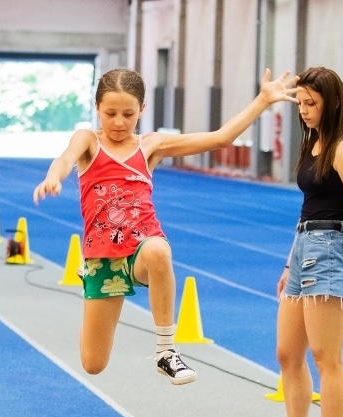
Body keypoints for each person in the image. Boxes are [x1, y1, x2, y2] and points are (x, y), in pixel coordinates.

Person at [32, 68, 298, 384]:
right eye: (110, 113)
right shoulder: (88, 140)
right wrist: (54, 177)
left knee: (159, 251)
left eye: (128, 114)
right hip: (103, 257)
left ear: (142, 110)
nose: (119, 122)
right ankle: (93, 284)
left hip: (142, 247)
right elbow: (65, 159)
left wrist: (263, 100)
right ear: (97, 107)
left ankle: (165, 351)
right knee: (93, 363)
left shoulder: (151, 145)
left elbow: (220, 138)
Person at [246, 67, 343, 417]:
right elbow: (307, 211)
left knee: (326, 356)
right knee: (287, 352)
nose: (303, 109)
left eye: (311, 103)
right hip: (304, 248)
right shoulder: (314, 143)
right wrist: (290, 262)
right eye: (300, 102)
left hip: (331, 249)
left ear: (332, 103)